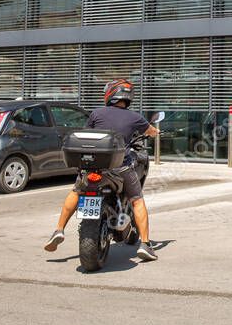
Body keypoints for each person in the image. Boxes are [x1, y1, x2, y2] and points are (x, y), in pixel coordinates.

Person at [44, 79, 160, 261]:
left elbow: (88, 134)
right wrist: (155, 132)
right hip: (120, 168)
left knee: (77, 191)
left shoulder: (96, 114)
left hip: (94, 167)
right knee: (137, 200)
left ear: (110, 94)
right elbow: (151, 131)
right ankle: (145, 244)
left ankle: (59, 229)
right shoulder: (135, 117)